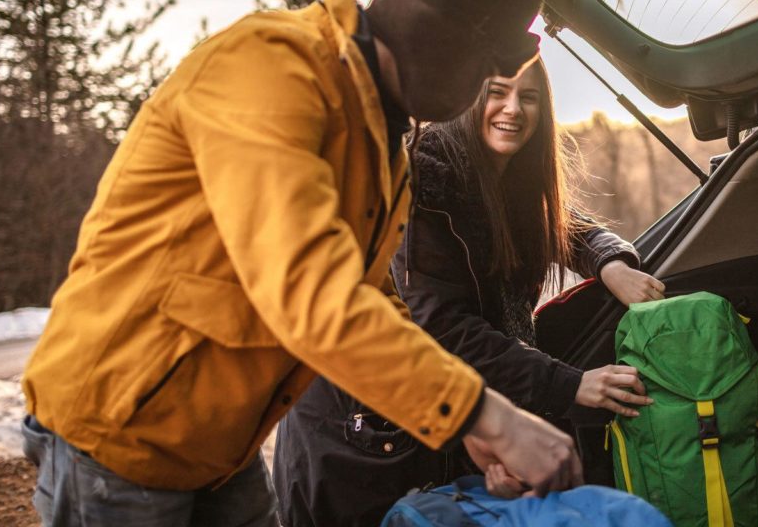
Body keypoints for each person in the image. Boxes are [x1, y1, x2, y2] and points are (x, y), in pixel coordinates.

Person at [19, 0, 583, 527]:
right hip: (119, 431)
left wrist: (454, 418)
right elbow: (310, 291)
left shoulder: (382, 144)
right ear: (443, 47)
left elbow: (372, 297)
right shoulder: (270, 68)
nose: (479, 99)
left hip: (220, 439)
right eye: (482, 76)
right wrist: (483, 414)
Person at [273, 58, 667, 526]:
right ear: (466, 97)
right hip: (360, 438)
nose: (513, 109)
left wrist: (609, 263)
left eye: (529, 97)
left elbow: (564, 228)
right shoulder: (425, 183)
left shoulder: (506, 181)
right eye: (497, 92)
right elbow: (442, 328)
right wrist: (569, 384)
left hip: (431, 415)